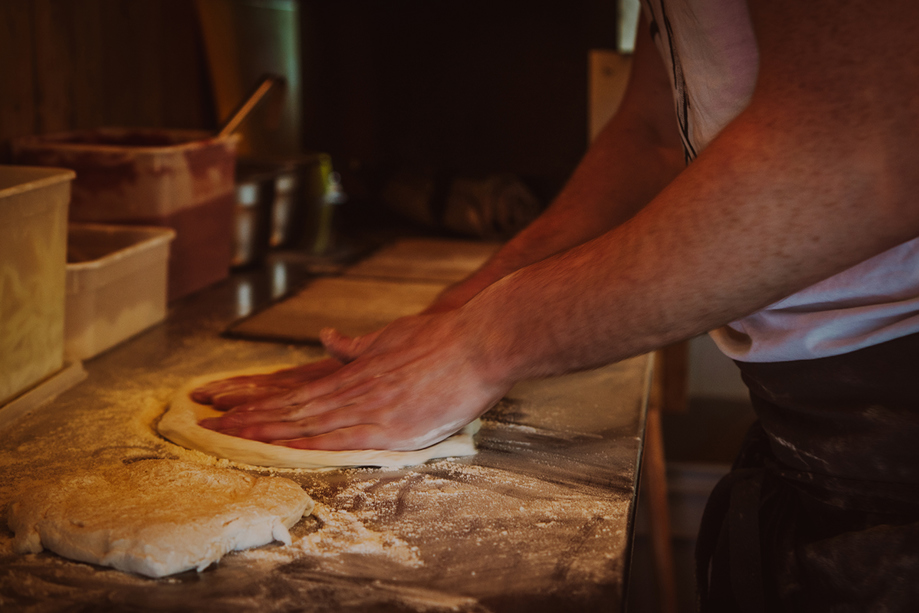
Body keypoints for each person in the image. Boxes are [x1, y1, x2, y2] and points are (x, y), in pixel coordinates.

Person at [194, 0, 919, 609]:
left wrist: (488, 341)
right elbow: (657, 137)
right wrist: (463, 308)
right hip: (812, 430)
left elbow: (863, 147)